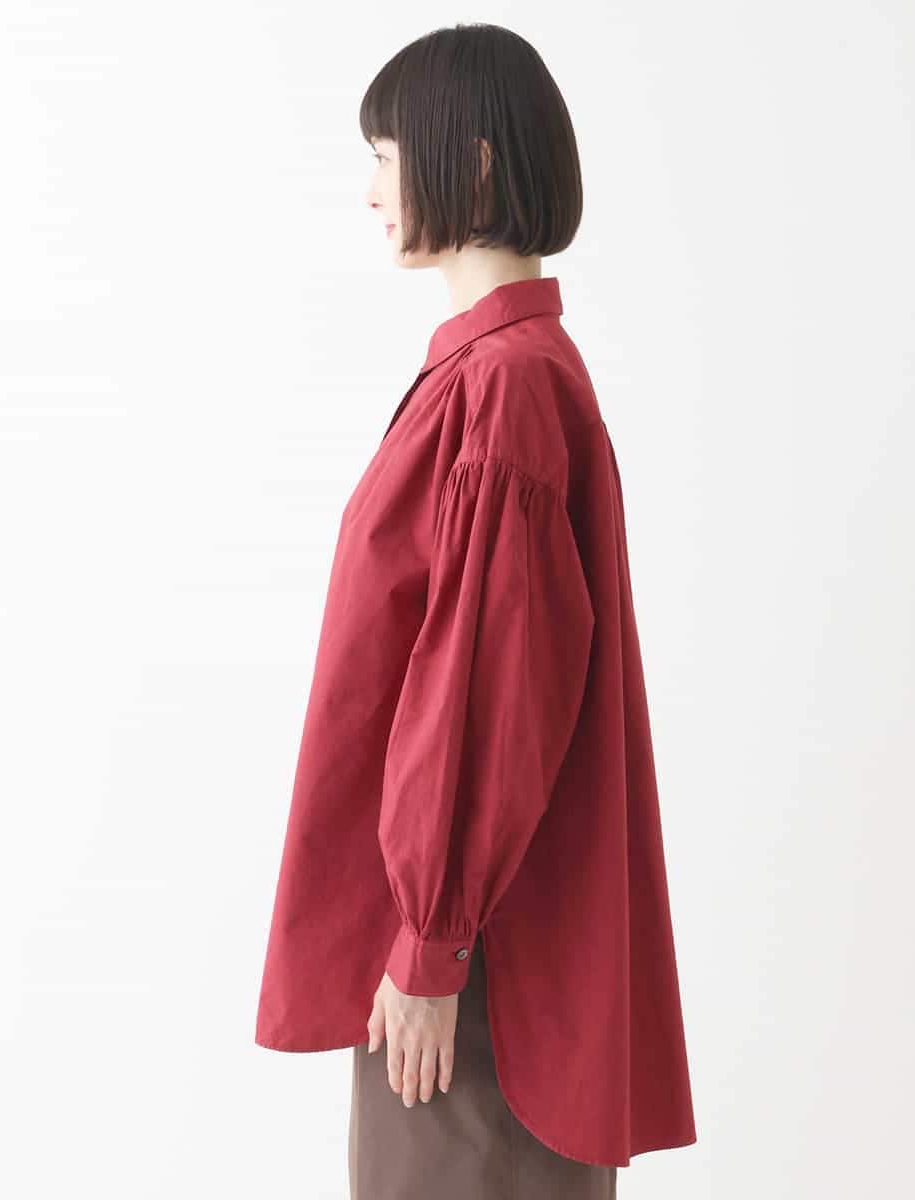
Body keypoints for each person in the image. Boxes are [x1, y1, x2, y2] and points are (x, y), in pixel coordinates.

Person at [254, 22, 697, 1198]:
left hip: (482, 970)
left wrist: (431, 942)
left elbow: (483, 696)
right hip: (471, 948)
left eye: (385, 157)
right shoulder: (497, 374)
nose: (369, 192)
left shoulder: (504, 389)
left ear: (476, 163)